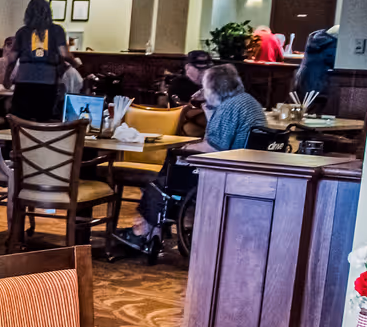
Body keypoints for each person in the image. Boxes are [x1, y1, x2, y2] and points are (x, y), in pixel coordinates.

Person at [117, 63, 263, 251]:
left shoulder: (229, 108)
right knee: (168, 173)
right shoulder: (246, 101)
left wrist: (184, 148)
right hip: (244, 169)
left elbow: (214, 146)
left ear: (213, 88)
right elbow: (215, 134)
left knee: (161, 180)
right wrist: (208, 105)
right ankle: (152, 230)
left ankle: (145, 232)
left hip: (224, 171)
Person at [0, 0, 73, 121]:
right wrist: (76, 63)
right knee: (42, 118)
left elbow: (11, 59)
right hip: (47, 79)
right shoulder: (56, 30)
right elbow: (64, 54)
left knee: (19, 119)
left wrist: (6, 78)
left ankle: (17, 140)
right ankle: (39, 140)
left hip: (24, 78)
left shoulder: (22, 32)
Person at [292, 28, 336, 99]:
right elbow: (334, 61)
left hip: (302, 77)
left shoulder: (314, 39)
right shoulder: (331, 43)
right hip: (317, 81)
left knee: (301, 105)